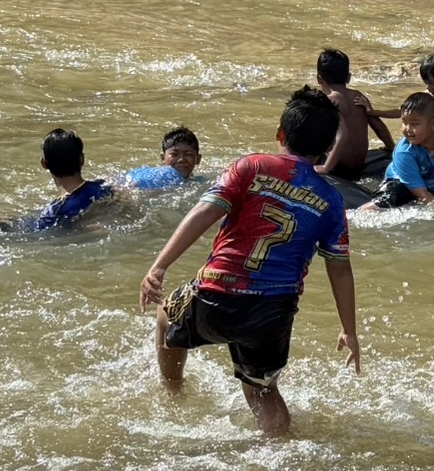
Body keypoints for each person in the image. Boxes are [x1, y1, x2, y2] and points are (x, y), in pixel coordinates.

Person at [138, 87, 360, 436]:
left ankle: (173, 394)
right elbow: (339, 267)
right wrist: (350, 329)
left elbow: (205, 212)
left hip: (219, 292)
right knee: (262, 388)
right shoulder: (330, 200)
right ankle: (279, 451)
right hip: (274, 309)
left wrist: (160, 265)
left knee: (168, 314)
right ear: (327, 149)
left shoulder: (251, 166)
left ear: (281, 135)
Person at [0, 128, 116, 232]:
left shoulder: (54, 212)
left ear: (44, 164)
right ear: (82, 159)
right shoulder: (104, 187)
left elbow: (31, 230)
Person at [316, 48, 394, 179]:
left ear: (319, 79)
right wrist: (390, 145)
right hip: (358, 165)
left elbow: (342, 135)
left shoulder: (328, 102)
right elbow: (377, 124)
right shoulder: (358, 96)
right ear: (348, 77)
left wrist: (326, 167)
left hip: (338, 167)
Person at [122, 126, 203, 190]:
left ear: (198, 159)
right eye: (174, 154)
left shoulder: (201, 183)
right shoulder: (153, 178)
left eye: (188, 154)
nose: (181, 159)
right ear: (162, 158)